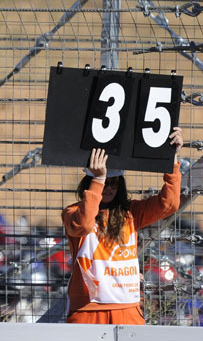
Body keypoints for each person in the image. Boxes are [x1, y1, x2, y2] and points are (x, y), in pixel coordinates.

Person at [62, 126, 183, 325]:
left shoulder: (131, 212)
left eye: (114, 182)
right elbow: (83, 225)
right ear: (89, 181)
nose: (109, 188)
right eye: (105, 182)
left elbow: (169, 204)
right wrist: (98, 180)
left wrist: (172, 159)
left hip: (128, 308)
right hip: (88, 310)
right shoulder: (72, 212)